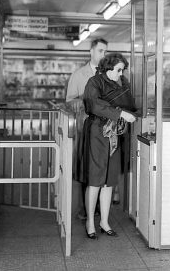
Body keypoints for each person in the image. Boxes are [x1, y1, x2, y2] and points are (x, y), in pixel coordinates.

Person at [82, 52, 137, 239]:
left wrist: (123, 113)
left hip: (116, 133)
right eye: (119, 70)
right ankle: (90, 221)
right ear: (108, 68)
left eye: (123, 70)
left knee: (109, 179)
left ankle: (104, 221)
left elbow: (130, 103)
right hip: (98, 131)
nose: (121, 74)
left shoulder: (123, 83)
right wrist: (120, 113)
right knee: (96, 178)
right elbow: (94, 105)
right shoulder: (94, 82)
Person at [66, 38, 108, 220]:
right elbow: (69, 101)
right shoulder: (78, 75)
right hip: (85, 128)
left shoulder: (109, 74)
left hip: (105, 129)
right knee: (87, 168)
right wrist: (83, 99)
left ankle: (99, 207)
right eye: (100, 51)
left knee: (103, 168)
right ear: (91, 51)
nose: (103, 55)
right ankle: (85, 209)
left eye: (105, 51)